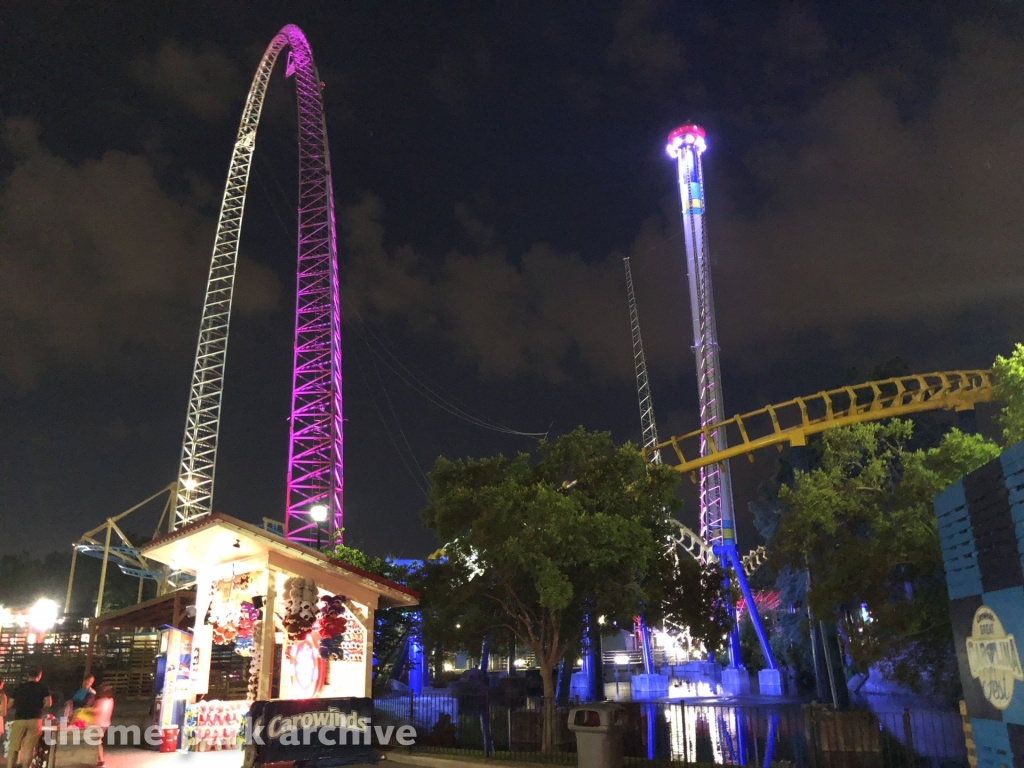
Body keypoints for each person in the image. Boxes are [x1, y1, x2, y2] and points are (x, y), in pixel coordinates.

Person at [5, 667, 51, 768]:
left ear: (28, 675)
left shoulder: (19, 687)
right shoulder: (43, 687)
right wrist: (39, 704)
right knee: (29, 749)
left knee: (13, 747)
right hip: (35, 719)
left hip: (19, 719)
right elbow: (49, 703)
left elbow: (10, 704)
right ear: (39, 675)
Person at [92, 684, 114, 768]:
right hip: (105, 723)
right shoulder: (111, 700)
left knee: (97, 742)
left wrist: (89, 710)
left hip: (99, 723)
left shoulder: (101, 701)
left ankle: (101, 760)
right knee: (98, 741)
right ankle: (99, 759)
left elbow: (99, 711)